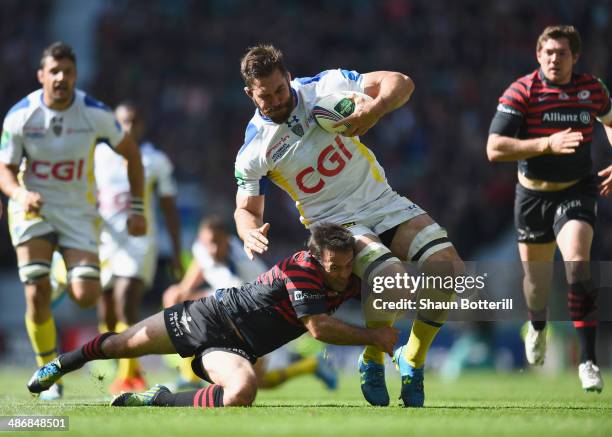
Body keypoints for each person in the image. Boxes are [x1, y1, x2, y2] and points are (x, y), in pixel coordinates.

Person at [233, 44, 463, 407]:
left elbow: (400, 82)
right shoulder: (254, 151)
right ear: (250, 94)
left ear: (288, 77)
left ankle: (412, 359)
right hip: (336, 224)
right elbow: (245, 208)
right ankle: (373, 357)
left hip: (382, 201)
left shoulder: (326, 87)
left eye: (281, 89)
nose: (277, 100)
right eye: (266, 96)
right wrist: (248, 230)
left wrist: (376, 106)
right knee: (394, 281)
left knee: (448, 270)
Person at [27, 223, 399, 408]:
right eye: (334, 266)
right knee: (124, 345)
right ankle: (60, 364)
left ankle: (158, 399)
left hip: (237, 349)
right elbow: (317, 328)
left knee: (242, 393)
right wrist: (373, 337)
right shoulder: (302, 268)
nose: (341, 272)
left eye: (347, 265)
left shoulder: (350, 277)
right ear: (317, 259)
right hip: (210, 316)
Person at [0, 42, 146, 400]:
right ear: (41, 76)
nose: (61, 77)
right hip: (32, 209)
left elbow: (132, 155)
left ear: (75, 76)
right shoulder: (21, 116)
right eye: (54, 71)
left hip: (78, 213)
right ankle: (47, 371)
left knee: (86, 296)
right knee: (35, 294)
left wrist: (138, 208)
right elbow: (4, 168)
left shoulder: (95, 114)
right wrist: (18, 195)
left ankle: (61, 272)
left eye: (67, 71)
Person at [487, 25, 612, 393]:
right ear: (538, 56)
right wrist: (547, 144)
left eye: (561, 53)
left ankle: (587, 361)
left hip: (577, 190)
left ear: (575, 57)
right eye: (548, 53)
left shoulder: (592, 90)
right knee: (536, 288)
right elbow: (494, 148)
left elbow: (609, 120)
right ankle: (538, 325)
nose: (554, 58)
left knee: (577, 261)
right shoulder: (522, 91)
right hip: (532, 197)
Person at [163, 216, 337, 391]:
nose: (213, 249)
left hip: (260, 315)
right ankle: (189, 375)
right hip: (229, 309)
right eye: (208, 243)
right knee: (173, 295)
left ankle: (311, 365)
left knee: (260, 382)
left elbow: (228, 303)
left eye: (217, 243)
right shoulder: (202, 248)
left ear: (228, 240)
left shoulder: (244, 264)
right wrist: (183, 293)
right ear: (201, 240)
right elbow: (192, 279)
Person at [95, 101, 182, 394]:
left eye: (133, 121)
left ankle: (130, 376)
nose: (128, 128)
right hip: (105, 242)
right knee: (106, 311)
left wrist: (176, 250)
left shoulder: (155, 160)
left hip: (139, 243)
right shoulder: (99, 156)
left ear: (142, 124)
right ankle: (124, 366)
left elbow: (170, 209)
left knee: (125, 300)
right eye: (122, 123)